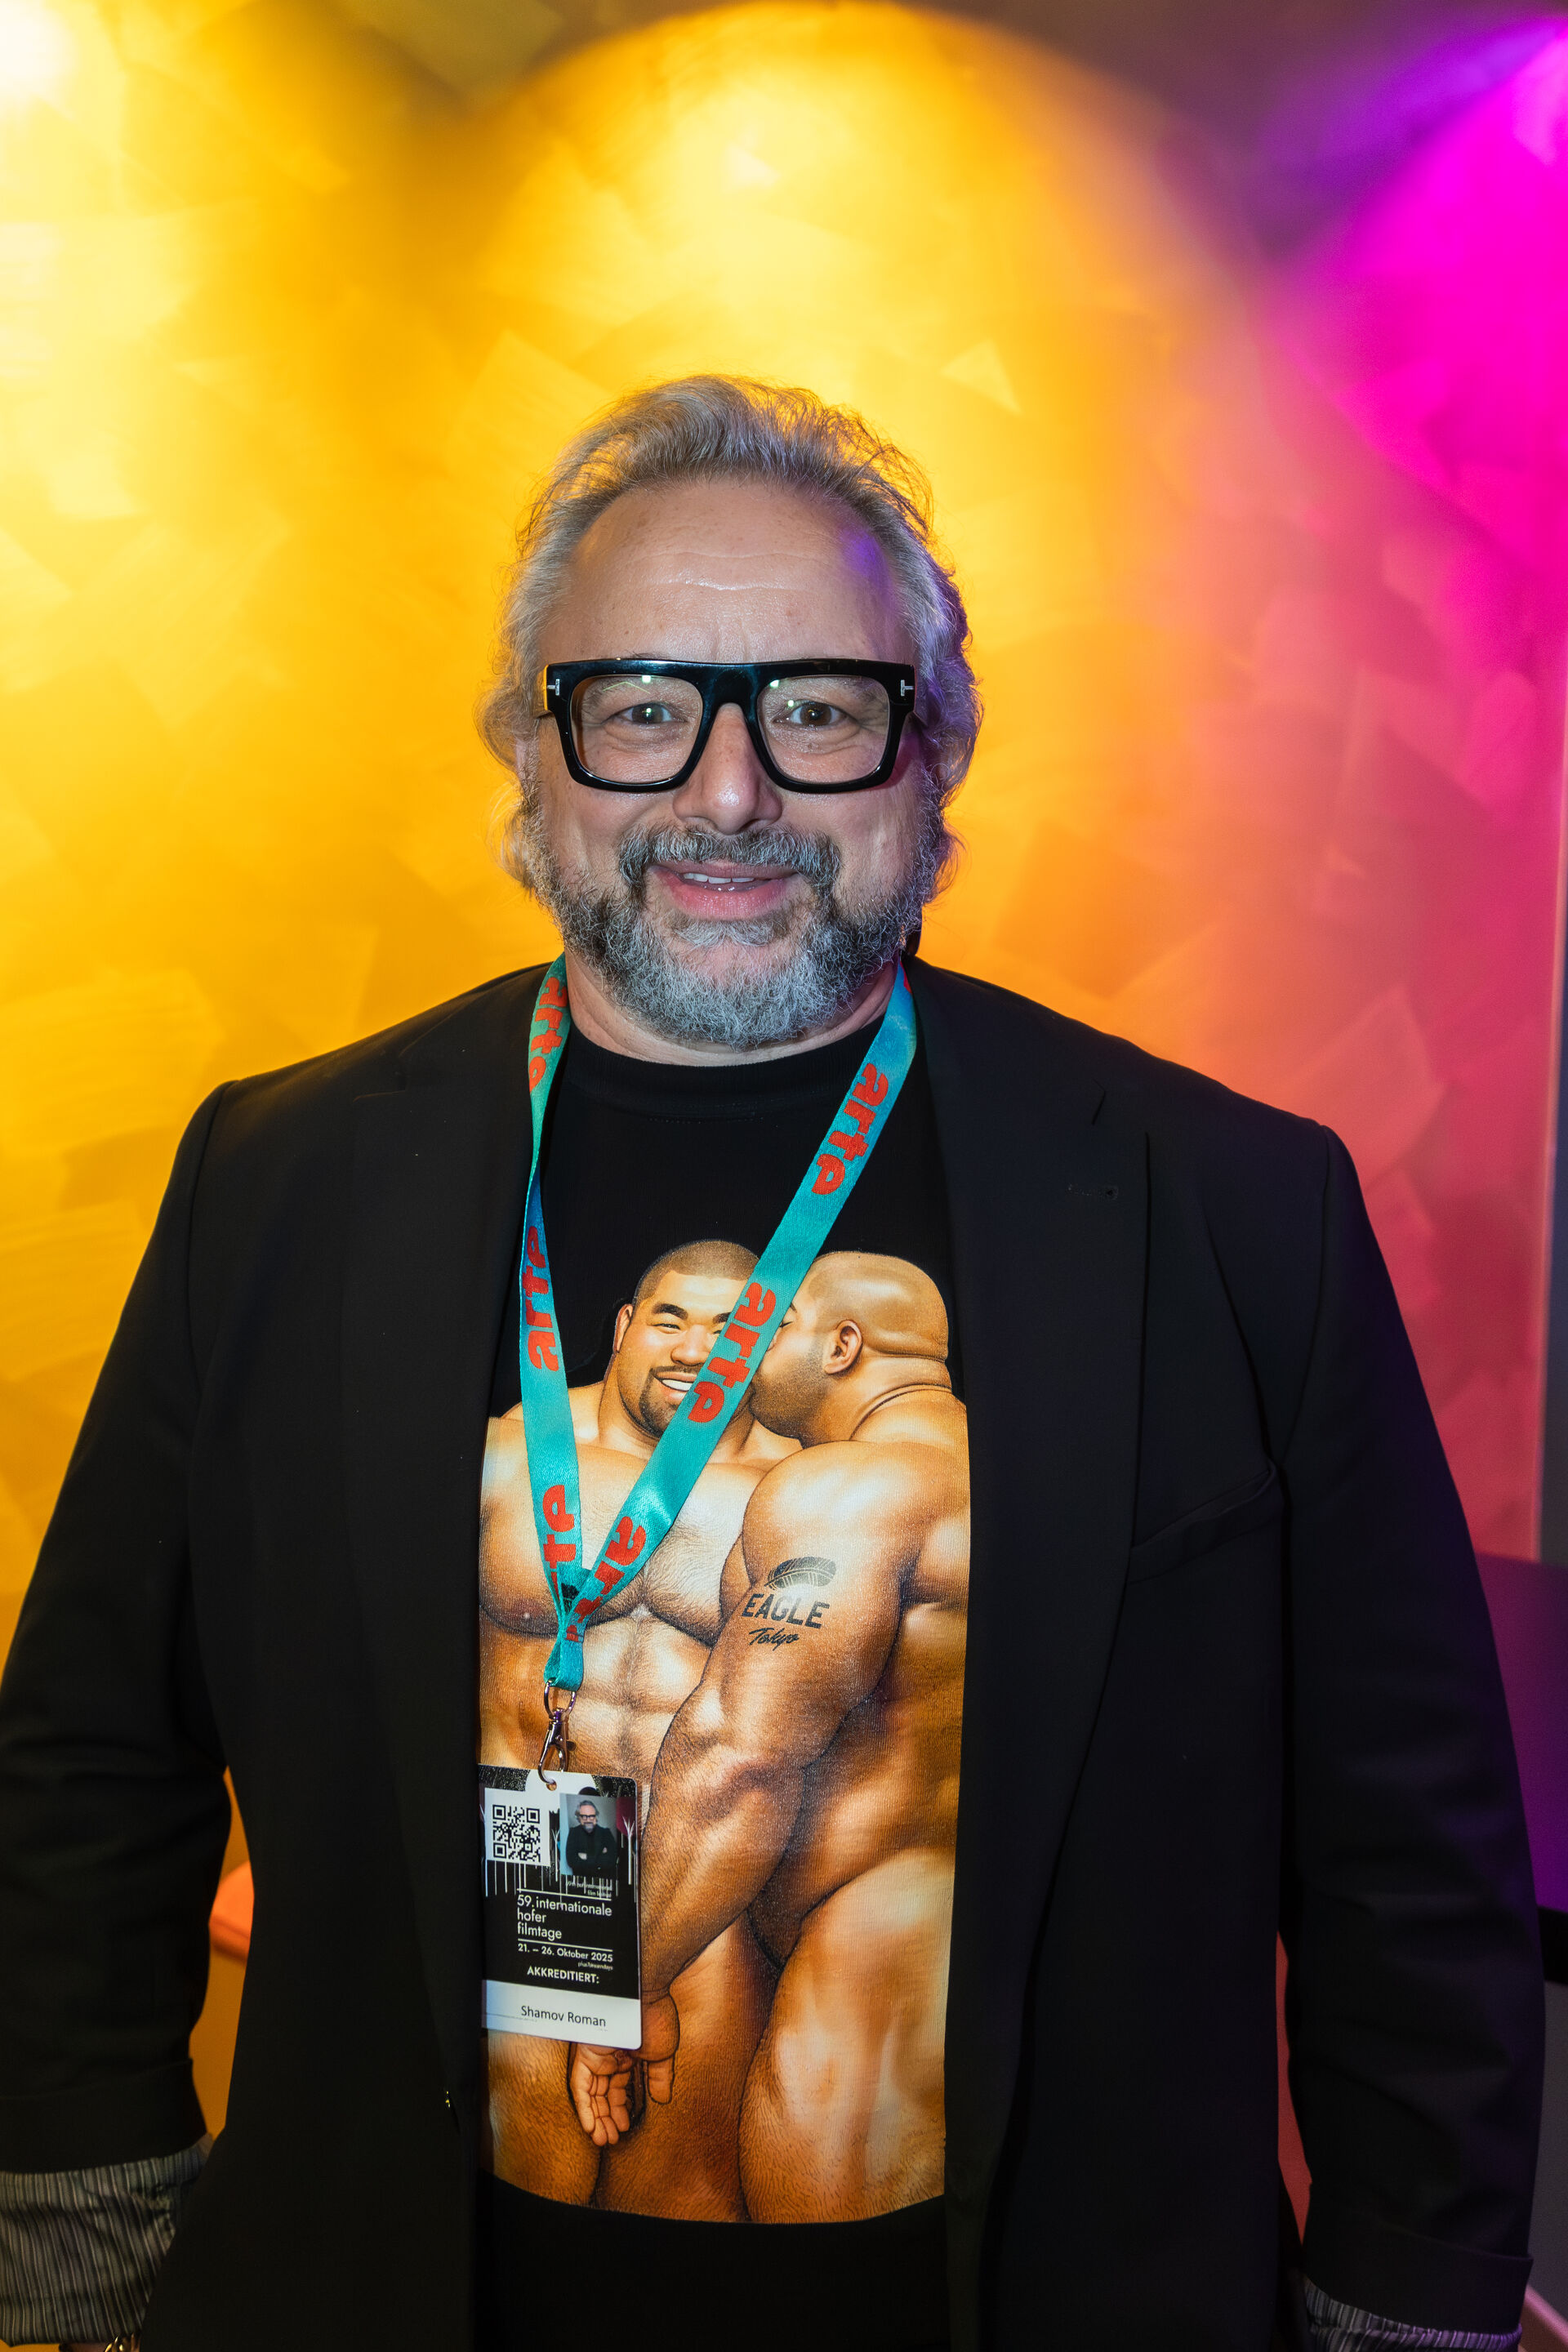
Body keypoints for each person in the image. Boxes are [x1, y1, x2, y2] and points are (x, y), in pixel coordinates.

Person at [0, 376, 1543, 2352]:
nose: (728, 795)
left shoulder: (1232, 1209)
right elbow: (93, 1753)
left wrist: (1408, 2306)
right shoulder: (278, 1180)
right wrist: (87, 2238)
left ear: (929, 751)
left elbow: (1406, 1845)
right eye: (643, 706)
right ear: (535, 755)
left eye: (814, 708)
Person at [568, 1250, 967, 2229]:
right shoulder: (1018, 1472)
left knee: (828, 2285)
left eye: (772, 1325)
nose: (742, 1350)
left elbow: (739, 1757)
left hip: (876, 1940)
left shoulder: (851, 1491)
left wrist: (635, 1982)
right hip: (976, 1929)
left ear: (842, 1345)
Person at [479, 1239, 785, 2217]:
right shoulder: (503, 1452)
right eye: (671, 1319)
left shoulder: (802, 1488)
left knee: (680, 2203)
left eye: (731, 1328)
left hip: (698, 1878)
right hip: (531, 1855)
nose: (697, 1349)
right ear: (623, 1327)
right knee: (522, 2191)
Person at [564, 1801, 619, 1880]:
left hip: (604, 1882)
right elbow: (571, 1861)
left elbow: (612, 1860)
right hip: (581, 1882)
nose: (588, 1820)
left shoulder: (606, 1833)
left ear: (596, 1817)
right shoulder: (574, 1832)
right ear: (579, 1818)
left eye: (591, 1816)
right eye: (584, 1816)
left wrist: (586, 1857)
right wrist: (600, 1856)